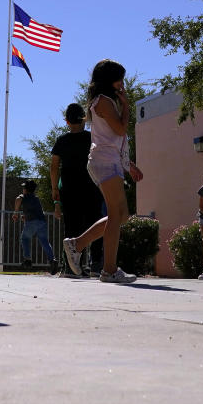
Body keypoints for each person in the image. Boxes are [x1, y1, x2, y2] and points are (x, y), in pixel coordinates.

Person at [60, 60, 144, 284]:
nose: (122, 84)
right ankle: (108, 270)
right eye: (119, 79)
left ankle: (76, 244)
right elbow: (120, 129)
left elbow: (114, 138)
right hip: (104, 162)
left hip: (110, 160)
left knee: (121, 215)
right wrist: (126, 106)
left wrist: (129, 164)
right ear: (109, 80)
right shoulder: (104, 102)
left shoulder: (105, 101)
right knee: (117, 215)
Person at [51, 103, 104, 276]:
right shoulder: (91, 138)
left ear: (66, 121)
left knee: (72, 227)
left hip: (69, 189)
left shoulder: (62, 141)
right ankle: (96, 264)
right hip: (91, 187)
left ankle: (71, 267)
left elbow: (54, 167)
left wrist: (54, 190)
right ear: (84, 119)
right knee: (95, 223)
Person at [13, 180, 56, 271]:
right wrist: (25, 217)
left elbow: (18, 199)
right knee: (44, 242)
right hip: (42, 222)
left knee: (25, 238)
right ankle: (52, 260)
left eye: (24, 188)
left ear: (26, 189)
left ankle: (27, 260)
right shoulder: (36, 198)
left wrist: (15, 212)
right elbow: (36, 211)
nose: (23, 189)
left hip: (31, 222)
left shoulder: (24, 196)